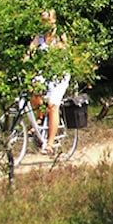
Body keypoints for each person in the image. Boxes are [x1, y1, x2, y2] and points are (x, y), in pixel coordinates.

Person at [27, 8, 73, 147]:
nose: (44, 23)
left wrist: (60, 49)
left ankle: (50, 144)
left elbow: (68, 52)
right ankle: (40, 118)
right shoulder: (39, 37)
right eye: (42, 20)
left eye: (47, 20)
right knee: (32, 89)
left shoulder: (60, 35)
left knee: (53, 105)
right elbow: (30, 51)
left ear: (53, 20)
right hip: (45, 73)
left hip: (59, 74)